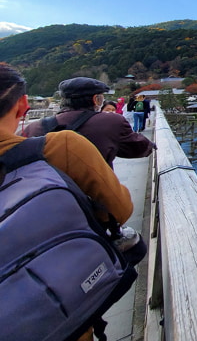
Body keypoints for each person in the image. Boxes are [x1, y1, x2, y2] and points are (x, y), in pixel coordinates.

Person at [0, 64, 133, 341]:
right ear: (22, 104)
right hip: (55, 304)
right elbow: (122, 209)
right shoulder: (62, 146)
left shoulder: (36, 130)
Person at [22, 77, 155, 168]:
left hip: (43, 203)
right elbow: (140, 149)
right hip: (93, 203)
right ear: (96, 100)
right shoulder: (111, 121)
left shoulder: (33, 128)